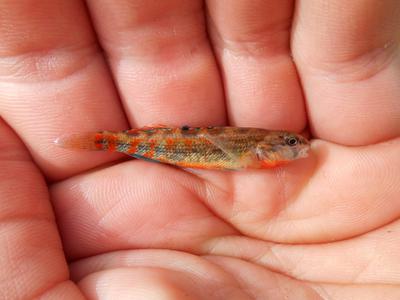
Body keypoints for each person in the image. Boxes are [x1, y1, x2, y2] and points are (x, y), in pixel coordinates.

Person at [0, 1, 399, 299]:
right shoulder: (253, 149)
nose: (302, 147)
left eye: (296, 143)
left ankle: (109, 139)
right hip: (172, 144)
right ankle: (105, 139)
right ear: (270, 146)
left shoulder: (259, 151)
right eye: (293, 143)